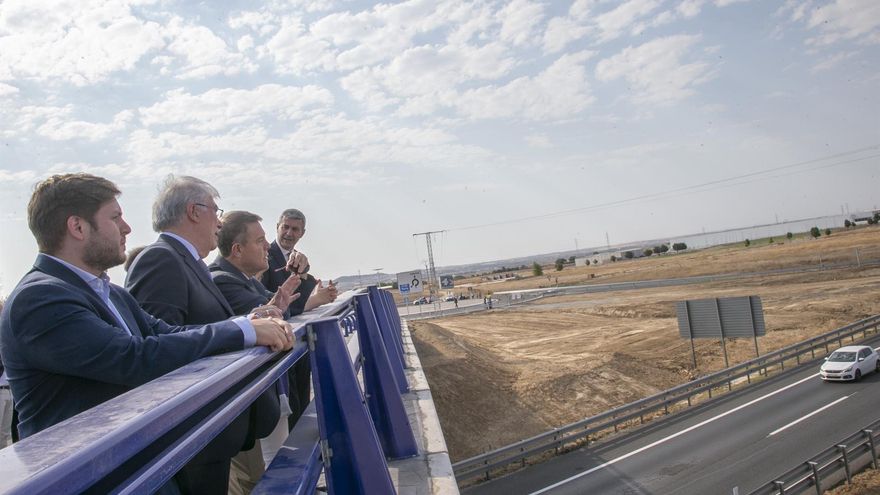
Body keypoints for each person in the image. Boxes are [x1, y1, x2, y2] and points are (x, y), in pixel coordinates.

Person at [0, 174, 292, 471]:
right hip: (85, 476)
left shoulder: (112, 293)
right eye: (115, 218)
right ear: (78, 227)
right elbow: (133, 357)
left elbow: (166, 333)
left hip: (134, 464)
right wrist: (243, 331)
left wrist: (247, 323)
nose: (127, 227)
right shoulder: (39, 298)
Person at [125, 176, 281, 495]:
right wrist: (242, 329)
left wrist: (247, 321)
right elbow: (161, 343)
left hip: (210, 432)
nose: (220, 223)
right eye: (215, 211)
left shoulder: (188, 262)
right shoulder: (160, 259)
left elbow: (202, 325)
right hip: (190, 436)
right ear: (194, 211)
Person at [208, 211, 305, 466]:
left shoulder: (247, 281)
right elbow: (264, 318)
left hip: (262, 401)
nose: (267, 246)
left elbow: (277, 311)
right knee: (259, 475)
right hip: (244, 409)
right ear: (237, 249)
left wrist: (276, 306)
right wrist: (274, 309)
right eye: (260, 241)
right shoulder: (223, 280)